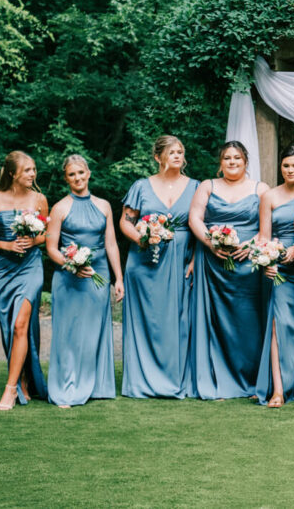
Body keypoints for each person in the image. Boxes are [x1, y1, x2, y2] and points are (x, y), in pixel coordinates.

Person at [187, 141, 270, 400]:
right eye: (226, 158)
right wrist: (211, 243)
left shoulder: (261, 189)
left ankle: (253, 377)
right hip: (213, 264)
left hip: (249, 265)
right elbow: (195, 219)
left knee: (249, 321)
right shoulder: (207, 186)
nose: (232, 162)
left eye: (237, 158)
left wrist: (252, 243)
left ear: (246, 161)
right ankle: (215, 375)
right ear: (220, 162)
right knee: (215, 321)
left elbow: (267, 227)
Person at [120, 135, 198, 398]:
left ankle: (175, 378)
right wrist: (142, 238)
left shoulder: (197, 187)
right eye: (172, 152)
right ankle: (142, 381)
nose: (177, 155)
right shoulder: (141, 187)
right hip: (144, 261)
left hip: (180, 260)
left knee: (177, 319)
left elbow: (201, 225)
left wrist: (195, 259)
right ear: (158, 157)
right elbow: (125, 222)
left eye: (180, 151)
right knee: (148, 320)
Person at [45, 155, 124, 408]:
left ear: (88, 173)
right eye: (71, 174)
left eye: (81, 173)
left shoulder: (104, 205)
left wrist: (118, 278)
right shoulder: (59, 208)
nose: (77, 178)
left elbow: (111, 243)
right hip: (69, 278)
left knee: (94, 332)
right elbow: (51, 248)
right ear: (66, 178)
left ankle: (97, 386)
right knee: (68, 333)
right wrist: (72, 265)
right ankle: (66, 387)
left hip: (98, 275)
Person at [0, 151, 49, 410]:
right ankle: (23, 380)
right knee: (10, 326)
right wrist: (7, 245)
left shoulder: (39, 199)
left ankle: (10, 390)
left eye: (34, 169)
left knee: (21, 324)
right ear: (12, 173)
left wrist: (34, 240)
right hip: (3, 269)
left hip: (30, 267)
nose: (33, 174)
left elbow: (47, 235)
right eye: (27, 170)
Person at [255, 145, 294, 408]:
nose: (290, 170)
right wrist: (265, 262)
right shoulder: (269, 196)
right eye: (286, 166)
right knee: (278, 326)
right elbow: (263, 236)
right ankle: (278, 390)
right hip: (280, 269)